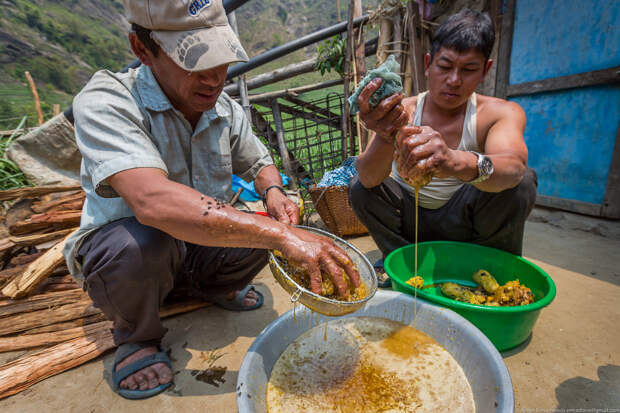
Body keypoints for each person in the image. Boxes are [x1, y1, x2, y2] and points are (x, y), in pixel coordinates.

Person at [63, 0, 360, 400]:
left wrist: (273, 193)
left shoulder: (224, 109)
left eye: (220, 61)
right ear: (142, 50)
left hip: (197, 249)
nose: (214, 78)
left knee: (262, 229)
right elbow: (152, 202)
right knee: (141, 243)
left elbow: (259, 161)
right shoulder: (107, 101)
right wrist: (278, 235)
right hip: (136, 253)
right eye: (195, 64)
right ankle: (137, 337)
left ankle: (212, 287)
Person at [350, 9, 537, 283]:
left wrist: (454, 162)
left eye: (469, 69)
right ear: (428, 64)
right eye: (445, 66)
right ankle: (403, 263)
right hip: (411, 221)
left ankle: (489, 271)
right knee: (359, 187)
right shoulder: (402, 110)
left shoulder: (499, 113)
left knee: (521, 184)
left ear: (485, 70)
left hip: (465, 222)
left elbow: (514, 167)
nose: (454, 80)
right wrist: (386, 132)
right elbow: (368, 178)